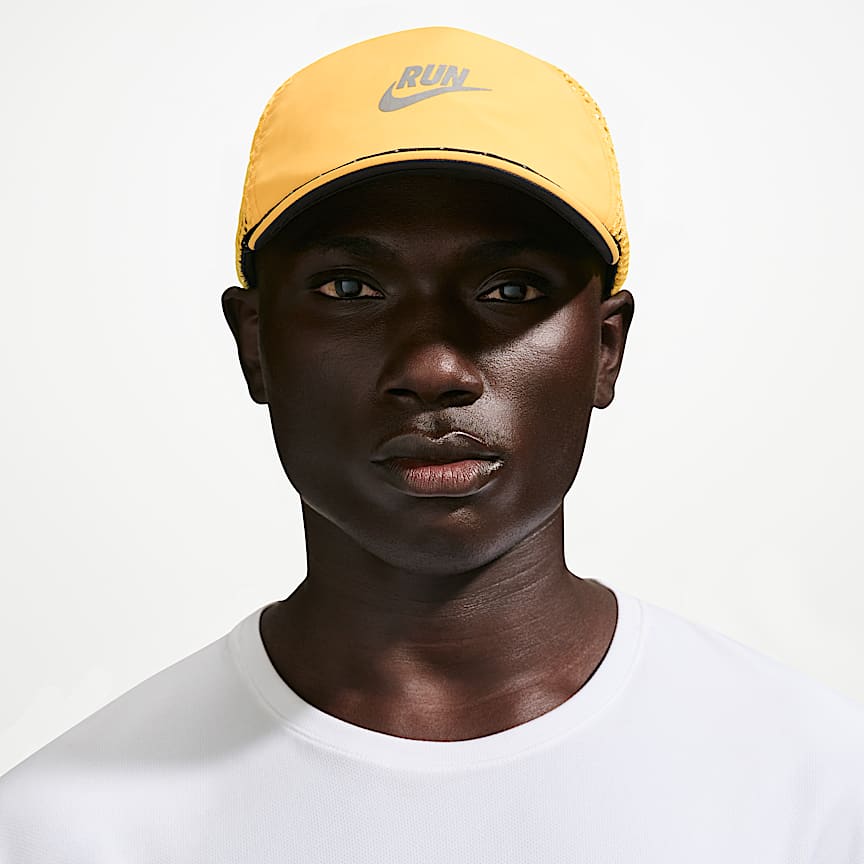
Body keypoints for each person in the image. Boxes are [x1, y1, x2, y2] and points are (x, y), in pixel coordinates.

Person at [1, 25, 862, 863]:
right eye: (349, 288)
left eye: (510, 289)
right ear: (255, 344)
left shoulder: (816, 787)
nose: (434, 367)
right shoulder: (64, 830)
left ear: (605, 349)